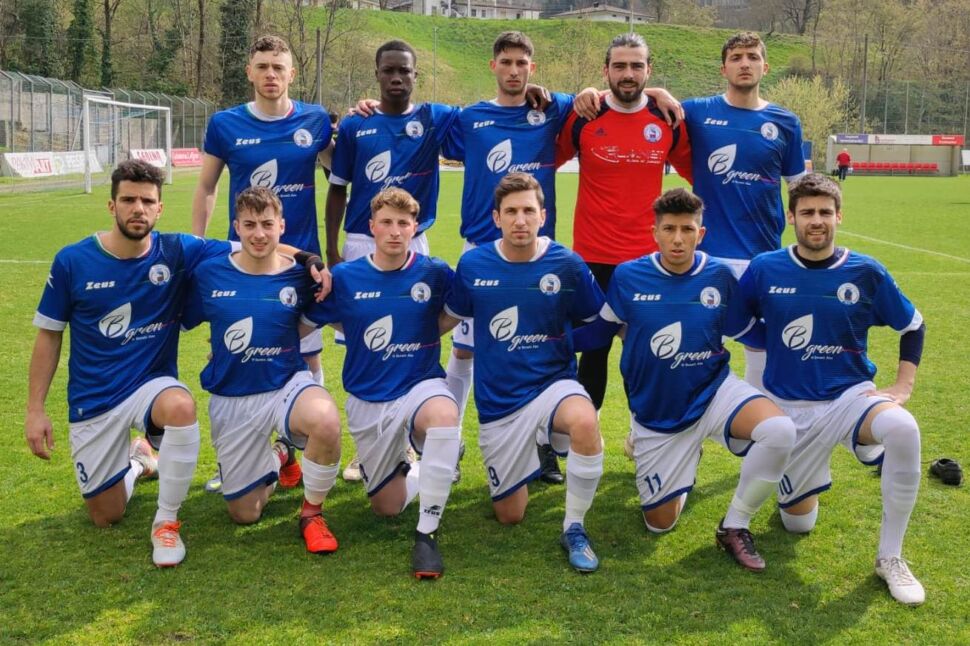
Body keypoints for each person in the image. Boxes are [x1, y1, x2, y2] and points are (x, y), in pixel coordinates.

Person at [25, 159, 230, 567]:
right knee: (107, 515)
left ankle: (166, 523)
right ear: (111, 206)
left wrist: (309, 259)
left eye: (147, 201)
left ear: (159, 209)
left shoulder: (176, 250)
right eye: (128, 200)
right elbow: (49, 335)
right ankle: (139, 461)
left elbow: (254, 245)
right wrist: (35, 410)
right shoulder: (72, 261)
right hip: (94, 398)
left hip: (150, 386)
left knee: (181, 406)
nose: (138, 208)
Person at [578, 188, 796, 570]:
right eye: (669, 229)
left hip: (714, 391)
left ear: (701, 233)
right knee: (659, 525)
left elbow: (750, 331)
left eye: (687, 229)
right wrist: (549, 340)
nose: (678, 239)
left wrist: (794, 332)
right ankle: (680, 456)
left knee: (779, 431)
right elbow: (599, 333)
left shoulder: (718, 276)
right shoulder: (629, 276)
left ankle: (734, 524)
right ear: (655, 232)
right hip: (657, 411)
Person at [737, 173, 927, 605]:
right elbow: (736, 320)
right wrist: (772, 342)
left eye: (825, 212)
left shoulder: (866, 271)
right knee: (797, 525)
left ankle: (890, 558)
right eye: (807, 212)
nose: (816, 220)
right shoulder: (766, 267)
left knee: (903, 428)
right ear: (791, 218)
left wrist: (902, 386)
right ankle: (809, 479)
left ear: (839, 216)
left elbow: (913, 326)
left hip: (849, 398)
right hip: (788, 409)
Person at [440, 173, 606, 573]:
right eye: (511, 212)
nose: (520, 220)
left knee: (584, 422)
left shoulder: (566, 264)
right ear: (496, 217)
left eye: (528, 211)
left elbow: (599, 323)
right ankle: (535, 448)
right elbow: (447, 319)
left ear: (543, 215)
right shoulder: (474, 263)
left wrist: (564, 342)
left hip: (553, 385)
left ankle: (574, 527)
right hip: (500, 402)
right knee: (509, 515)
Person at [192, 35, 332, 489]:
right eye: (263, 66)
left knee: (306, 358)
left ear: (293, 73)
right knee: (238, 350)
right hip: (244, 260)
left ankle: (302, 453)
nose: (271, 74)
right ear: (249, 73)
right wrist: (199, 246)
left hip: (299, 262)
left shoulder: (314, 120)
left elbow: (341, 171)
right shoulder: (225, 124)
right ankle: (238, 455)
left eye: (279, 67)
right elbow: (208, 186)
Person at [441, 31, 578, 485]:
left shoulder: (551, 111)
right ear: (493, 66)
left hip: (538, 256)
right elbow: (411, 116)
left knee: (538, 347)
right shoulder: (469, 118)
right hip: (480, 250)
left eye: (522, 62)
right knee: (464, 348)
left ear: (532, 68)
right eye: (507, 62)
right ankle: (448, 443)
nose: (514, 70)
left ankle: (542, 442)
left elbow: (599, 99)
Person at [304, 188, 462, 579]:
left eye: (403, 224)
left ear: (415, 228)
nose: (395, 231)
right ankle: (430, 466)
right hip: (368, 397)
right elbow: (313, 322)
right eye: (387, 223)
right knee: (387, 507)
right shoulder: (344, 277)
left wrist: (428, 332)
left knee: (443, 417)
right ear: (371, 227)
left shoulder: (435, 272)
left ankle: (427, 533)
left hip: (419, 385)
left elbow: (454, 314)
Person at [181, 187, 343, 554]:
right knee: (245, 513)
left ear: (281, 226)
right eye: (250, 224)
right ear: (235, 227)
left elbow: (322, 317)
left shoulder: (303, 277)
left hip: (286, 383)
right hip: (232, 395)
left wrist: (316, 262)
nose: (259, 233)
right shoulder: (209, 273)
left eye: (267, 224)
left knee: (326, 421)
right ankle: (281, 455)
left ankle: (312, 513)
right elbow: (181, 321)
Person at [556, 32, 693, 416]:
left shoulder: (667, 119)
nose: (628, 73)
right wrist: (581, 94)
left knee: (648, 351)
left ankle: (647, 436)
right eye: (619, 66)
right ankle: (578, 438)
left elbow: (700, 175)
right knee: (592, 353)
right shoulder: (584, 115)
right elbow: (542, 157)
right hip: (592, 258)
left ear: (649, 70)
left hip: (646, 262)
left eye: (636, 65)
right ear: (606, 71)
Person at [680, 31, 806, 391]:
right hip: (707, 255)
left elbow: (798, 187)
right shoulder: (697, 112)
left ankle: (757, 431)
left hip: (763, 256)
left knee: (762, 350)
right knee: (697, 350)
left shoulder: (785, 123)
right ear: (724, 69)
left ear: (765, 66)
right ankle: (681, 434)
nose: (745, 63)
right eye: (736, 57)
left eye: (752, 56)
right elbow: (649, 105)